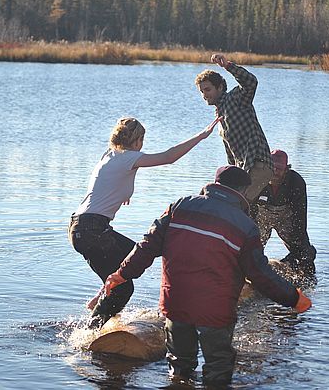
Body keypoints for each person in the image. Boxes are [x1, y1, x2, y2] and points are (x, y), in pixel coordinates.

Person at [101, 165, 312, 387]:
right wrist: (293, 298)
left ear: (215, 183)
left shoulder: (180, 206)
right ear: (243, 191)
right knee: (218, 367)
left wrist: (121, 274)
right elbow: (260, 274)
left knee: (179, 364)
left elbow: (146, 246)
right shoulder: (245, 226)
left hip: (176, 302)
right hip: (216, 310)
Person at [68, 116, 220, 328]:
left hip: (80, 226)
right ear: (137, 140)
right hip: (92, 230)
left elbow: (106, 182)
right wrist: (202, 136)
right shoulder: (129, 158)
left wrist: (122, 193)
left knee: (134, 255)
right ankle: (90, 332)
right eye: (142, 139)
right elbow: (169, 157)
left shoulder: (110, 155)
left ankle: (100, 298)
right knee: (125, 286)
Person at [195, 53, 273, 203]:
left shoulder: (235, 99)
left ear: (220, 87)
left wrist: (228, 66)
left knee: (234, 204)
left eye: (207, 89)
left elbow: (251, 82)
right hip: (244, 170)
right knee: (227, 202)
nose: (204, 95)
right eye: (202, 91)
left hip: (259, 165)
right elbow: (231, 153)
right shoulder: (220, 115)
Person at [252, 150, 317, 274]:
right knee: (250, 250)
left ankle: (303, 276)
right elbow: (250, 209)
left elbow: (300, 215)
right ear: (267, 167)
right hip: (261, 217)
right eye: (272, 168)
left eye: (279, 169)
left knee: (305, 254)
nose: (275, 172)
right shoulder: (257, 179)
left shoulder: (296, 182)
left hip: (286, 218)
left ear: (286, 169)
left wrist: (298, 246)